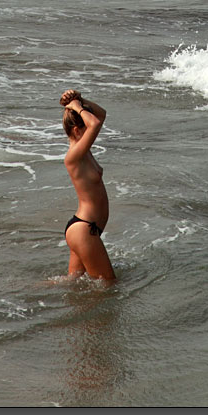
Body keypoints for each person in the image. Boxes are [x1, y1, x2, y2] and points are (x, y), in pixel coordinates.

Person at [59, 89, 116, 281]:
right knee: (108, 286)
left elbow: (101, 115)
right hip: (84, 230)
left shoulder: (84, 152)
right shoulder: (73, 157)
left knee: (72, 284)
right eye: (86, 130)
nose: (93, 134)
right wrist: (75, 107)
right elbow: (96, 123)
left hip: (86, 229)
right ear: (77, 131)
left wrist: (80, 101)